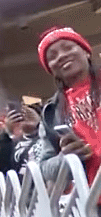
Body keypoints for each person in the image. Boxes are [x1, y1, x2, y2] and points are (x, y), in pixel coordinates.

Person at [34, 27, 100, 184]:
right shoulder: (51, 111)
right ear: (51, 70)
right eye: (52, 56)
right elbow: (44, 168)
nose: (62, 56)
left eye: (68, 47)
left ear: (86, 52)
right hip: (93, 200)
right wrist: (66, 158)